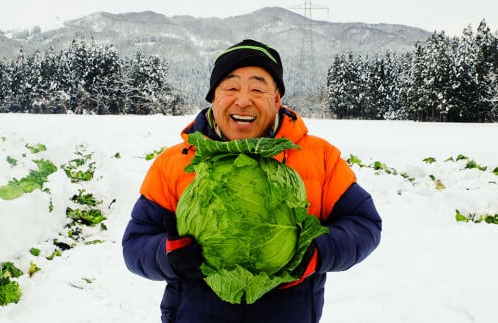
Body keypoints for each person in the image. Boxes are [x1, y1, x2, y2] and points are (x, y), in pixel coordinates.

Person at [122, 39, 382, 323]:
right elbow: (135, 243)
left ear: (277, 99)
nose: (243, 100)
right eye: (230, 88)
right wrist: (166, 256)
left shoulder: (319, 157)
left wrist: (317, 252)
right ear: (213, 98)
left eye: (258, 89)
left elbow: (364, 224)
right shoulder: (174, 162)